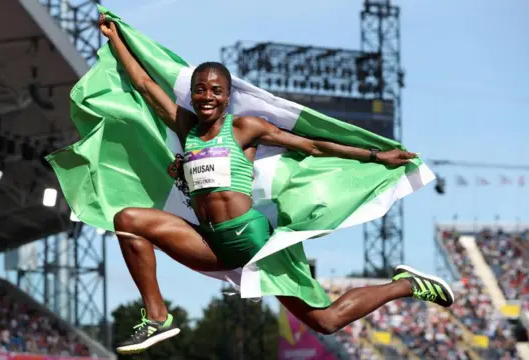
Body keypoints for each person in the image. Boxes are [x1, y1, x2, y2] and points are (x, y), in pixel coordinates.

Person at [99, 14, 455, 355]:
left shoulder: (244, 128)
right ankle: (158, 317)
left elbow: (313, 145)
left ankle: (407, 285)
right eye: (200, 90)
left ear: (226, 97)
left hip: (254, 242)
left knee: (327, 321)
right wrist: (116, 39)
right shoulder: (186, 129)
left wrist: (376, 157)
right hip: (210, 242)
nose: (207, 96)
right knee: (128, 220)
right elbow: (146, 85)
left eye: (216, 91)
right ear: (191, 96)